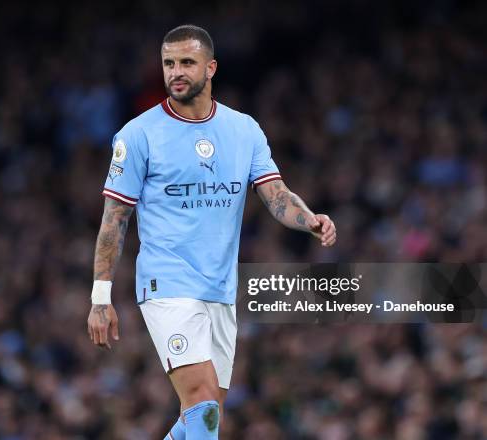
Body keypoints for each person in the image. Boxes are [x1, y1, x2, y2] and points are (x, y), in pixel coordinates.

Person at [87, 24, 336, 439]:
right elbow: (115, 219)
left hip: (220, 288)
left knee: (206, 413)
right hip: (166, 282)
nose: (175, 72)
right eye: (168, 63)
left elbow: (276, 194)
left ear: (211, 67)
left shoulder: (244, 130)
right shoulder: (138, 135)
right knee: (202, 398)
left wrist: (309, 219)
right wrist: (100, 297)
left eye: (186, 62)